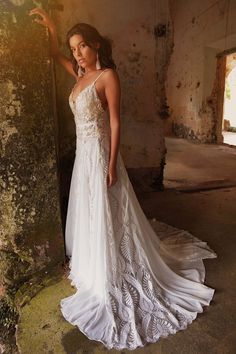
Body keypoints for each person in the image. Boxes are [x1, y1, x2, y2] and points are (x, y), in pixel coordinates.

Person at [29, 8, 217, 351]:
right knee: (88, 208)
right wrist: (52, 29)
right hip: (83, 158)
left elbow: (115, 123)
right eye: (74, 49)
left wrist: (113, 164)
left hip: (100, 154)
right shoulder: (79, 75)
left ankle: (112, 268)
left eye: (82, 46)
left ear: (96, 45)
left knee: (108, 208)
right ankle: (91, 261)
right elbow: (58, 57)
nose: (78, 54)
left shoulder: (106, 77)